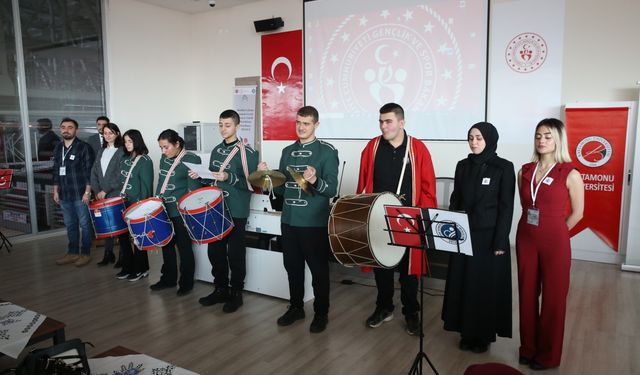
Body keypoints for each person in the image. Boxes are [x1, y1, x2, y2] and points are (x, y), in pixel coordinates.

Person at [357, 102, 437, 336]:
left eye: (388, 121)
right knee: (381, 266)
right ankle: (384, 308)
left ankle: (411, 312)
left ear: (402, 122)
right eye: (381, 121)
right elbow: (363, 182)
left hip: (408, 220)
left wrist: (423, 219)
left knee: (408, 271)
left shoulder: (418, 149)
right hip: (379, 218)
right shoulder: (372, 147)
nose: (383, 126)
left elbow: (428, 186)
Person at [258, 105, 339, 333]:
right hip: (289, 220)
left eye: (306, 123)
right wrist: (267, 177)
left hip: (313, 222)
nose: (301, 127)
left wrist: (314, 180)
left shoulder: (327, 152)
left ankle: (321, 313)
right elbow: (282, 189)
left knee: (318, 270)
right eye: (298, 123)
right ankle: (296, 307)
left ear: (316, 125)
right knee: (292, 267)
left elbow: (331, 188)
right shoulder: (287, 151)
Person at [441, 122, 516, 353]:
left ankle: (483, 335)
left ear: (490, 140)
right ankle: (465, 331)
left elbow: (506, 207)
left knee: (484, 286)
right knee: (463, 283)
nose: (474, 142)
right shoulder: (463, 165)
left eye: (479, 138)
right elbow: (456, 199)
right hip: (464, 234)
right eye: (471, 137)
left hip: (489, 237)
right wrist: (451, 226)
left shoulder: (503, 167)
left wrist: (501, 240)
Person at [516, 118, 584, 370]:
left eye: (547, 135)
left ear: (558, 139)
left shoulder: (570, 173)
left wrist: (557, 233)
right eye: (538, 136)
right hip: (525, 237)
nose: (542, 140)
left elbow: (578, 213)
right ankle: (528, 348)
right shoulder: (524, 170)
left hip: (555, 240)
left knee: (554, 298)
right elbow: (526, 205)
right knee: (526, 294)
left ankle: (548, 355)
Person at [190, 110, 258, 313]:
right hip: (216, 207)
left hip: (236, 208)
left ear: (237, 126)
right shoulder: (217, 150)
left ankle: (236, 293)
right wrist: (200, 176)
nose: (223, 129)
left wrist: (228, 177)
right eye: (220, 124)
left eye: (227, 125)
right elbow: (213, 178)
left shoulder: (247, 152)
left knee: (235, 253)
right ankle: (220, 288)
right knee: (215, 251)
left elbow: (252, 183)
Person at [150, 129, 201, 296]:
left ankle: (186, 282)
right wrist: (156, 201)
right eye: (161, 148)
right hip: (164, 209)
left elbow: (194, 190)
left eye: (166, 147)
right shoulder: (164, 159)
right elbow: (161, 182)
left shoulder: (191, 159)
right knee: (166, 245)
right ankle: (168, 279)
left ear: (177, 144)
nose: (164, 151)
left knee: (184, 247)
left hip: (180, 211)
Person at [52, 118, 95, 267]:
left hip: (80, 193)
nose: (66, 130)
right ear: (60, 129)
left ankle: (85, 253)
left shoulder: (84, 147)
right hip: (64, 193)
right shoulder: (58, 148)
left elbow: (90, 172)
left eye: (70, 127)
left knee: (85, 224)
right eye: (63, 127)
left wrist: (88, 192)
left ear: (76, 130)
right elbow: (56, 171)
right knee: (70, 224)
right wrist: (55, 190)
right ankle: (72, 252)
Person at [118, 129, 153, 281]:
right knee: (123, 237)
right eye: (125, 141)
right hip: (123, 202)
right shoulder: (124, 158)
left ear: (137, 141)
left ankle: (141, 268)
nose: (127, 144)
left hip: (137, 205)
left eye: (130, 141)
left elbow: (146, 186)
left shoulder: (145, 160)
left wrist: (143, 207)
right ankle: (127, 266)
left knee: (138, 237)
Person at [90, 122, 125, 267]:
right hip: (101, 195)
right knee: (107, 225)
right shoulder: (101, 151)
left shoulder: (122, 151)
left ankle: (123, 256)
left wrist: (106, 190)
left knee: (120, 226)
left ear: (117, 134)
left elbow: (121, 175)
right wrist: (97, 190)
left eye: (111, 132)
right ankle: (108, 254)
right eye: (105, 133)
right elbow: (94, 173)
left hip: (116, 194)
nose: (108, 135)